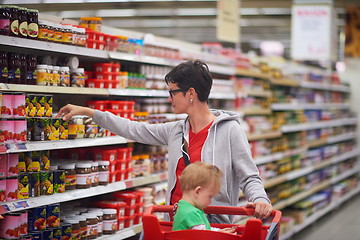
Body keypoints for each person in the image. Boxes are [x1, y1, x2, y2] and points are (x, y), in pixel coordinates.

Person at [56, 60, 272, 224]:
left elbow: (249, 176)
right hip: (177, 220)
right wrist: (90, 112)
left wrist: (261, 199)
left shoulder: (229, 130)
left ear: (190, 93)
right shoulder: (176, 130)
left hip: (212, 225)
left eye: (172, 92)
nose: (169, 99)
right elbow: (135, 129)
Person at [172, 161, 234, 233]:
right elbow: (204, 235)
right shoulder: (191, 213)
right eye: (210, 197)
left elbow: (204, 229)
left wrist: (219, 231)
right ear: (197, 191)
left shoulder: (183, 206)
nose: (210, 202)